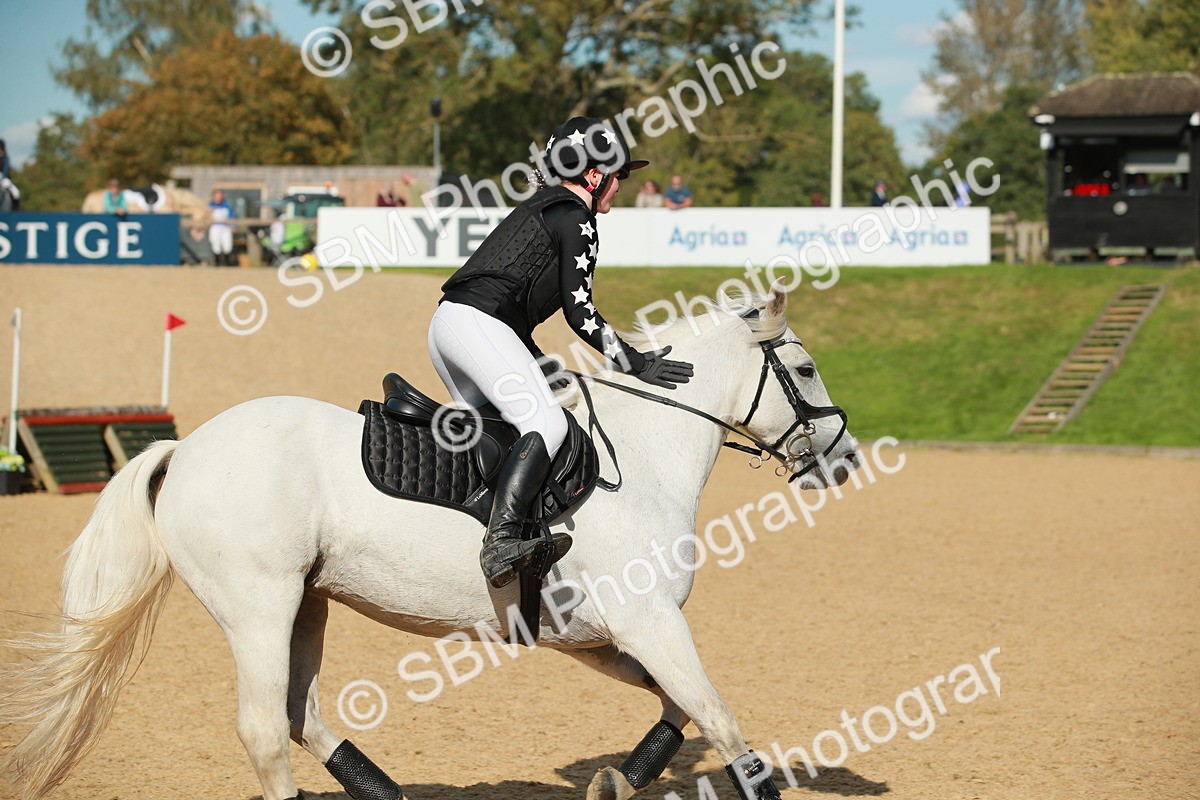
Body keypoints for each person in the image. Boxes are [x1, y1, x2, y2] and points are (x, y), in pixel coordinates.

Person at [431, 116, 694, 588]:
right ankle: (502, 542)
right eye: (618, 175)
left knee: (503, 433)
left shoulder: (545, 206)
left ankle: (471, 537)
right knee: (547, 424)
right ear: (594, 175)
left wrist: (541, 362)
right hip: (478, 324)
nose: (620, 186)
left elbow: (511, 299)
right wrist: (635, 363)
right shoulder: (577, 217)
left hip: (453, 326)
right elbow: (581, 312)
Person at [208, 189, 236, 266]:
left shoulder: (227, 205)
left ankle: (227, 264)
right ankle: (217, 264)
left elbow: (232, 216)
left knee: (227, 246)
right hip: (215, 227)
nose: (219, 197)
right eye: (217, 196)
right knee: (216, 245)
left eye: (220, 195)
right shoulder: (210, 206)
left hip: (225, 227)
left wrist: (233, 226)